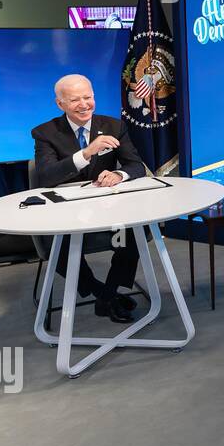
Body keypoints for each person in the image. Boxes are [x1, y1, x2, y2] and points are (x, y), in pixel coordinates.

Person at [31, 74, 147, 323]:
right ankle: (104, 295)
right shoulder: (45, 133)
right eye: (75, 100)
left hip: (106, 208)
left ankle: (109, 293)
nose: (84, 104)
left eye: (88, 97)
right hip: (63, 212)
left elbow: (136, 166)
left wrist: (119, 174)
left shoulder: (114, 125)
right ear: (60, 104)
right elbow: (46, 176)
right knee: (58, 247)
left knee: (135, 232)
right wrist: (86, 153)